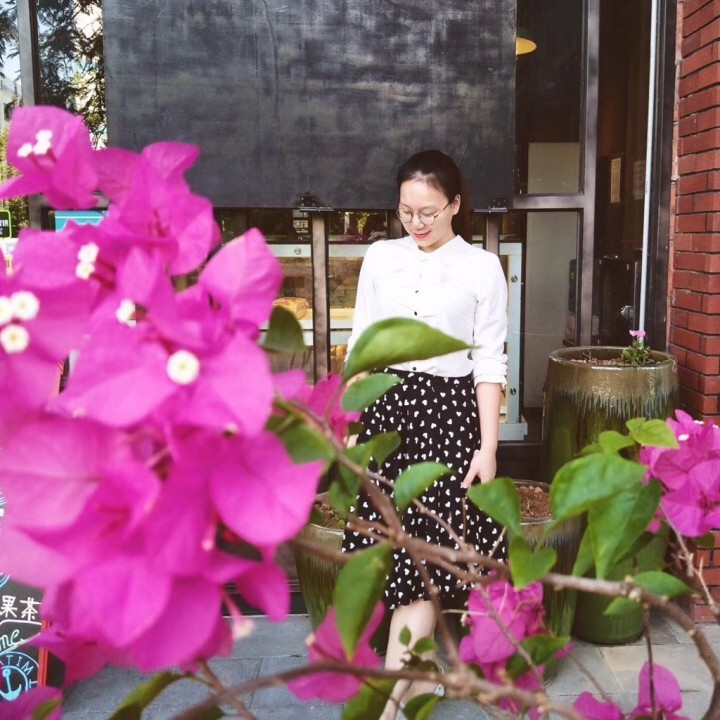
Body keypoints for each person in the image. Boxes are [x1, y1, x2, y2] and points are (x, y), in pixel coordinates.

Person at [341, 150, 508, 720]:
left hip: (448, 418)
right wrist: (351, 424)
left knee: (424, 558)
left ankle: (390, 703)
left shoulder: (482, 268)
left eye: (429, 212)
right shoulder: (380, 257)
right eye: (406, 211)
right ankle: (415, 682)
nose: (416, 222)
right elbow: (362, 346)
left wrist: (488, 447)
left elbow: (489, 362)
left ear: (455, 205)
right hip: (387, 414)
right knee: (395, 552)